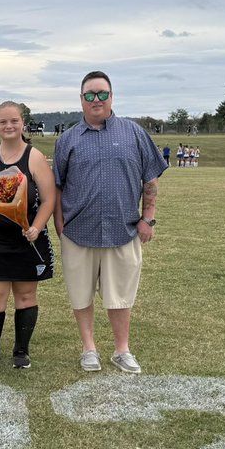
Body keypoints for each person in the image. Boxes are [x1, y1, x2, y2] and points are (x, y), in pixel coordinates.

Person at [53, 71, 166, 374]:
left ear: (112, 96)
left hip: (124, 229)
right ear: (81, 100)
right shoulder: (68, 140)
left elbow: (150, 178)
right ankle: (89, 348)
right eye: (90, 95)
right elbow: (58, 186)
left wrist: (148, 218)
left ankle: (121, 349)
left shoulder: (134, 133)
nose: (96, 100)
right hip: (78, 232)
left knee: (121, 294)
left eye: (102, 93)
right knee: (81, 293)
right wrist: (60, 227)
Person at [0, 101, 56, 369]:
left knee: (25, 296)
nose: (9, 126)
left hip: (25, 239)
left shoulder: (34, 157)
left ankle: (21, 351)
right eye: (3, 122)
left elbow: (48, 199)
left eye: (14, 121)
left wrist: (37, 227)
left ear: (23, 123)